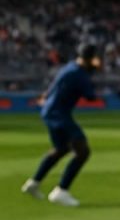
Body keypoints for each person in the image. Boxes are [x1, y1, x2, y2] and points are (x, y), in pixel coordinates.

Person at [21, 43, 101, 207]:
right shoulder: (80, 74)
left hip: (50, 111)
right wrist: (94, 71)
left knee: (61, 149)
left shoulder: (70, 67)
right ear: (91, 58)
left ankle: (34, 183)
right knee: (83, 151)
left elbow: (54, 84)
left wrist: (45, 96)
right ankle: (61, 191)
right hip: (59, 114)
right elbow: (91, 96)